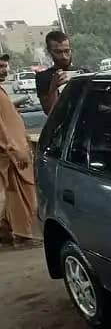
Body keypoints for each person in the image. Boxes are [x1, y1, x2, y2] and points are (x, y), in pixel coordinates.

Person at [0, 54, 40, 248]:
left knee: (15, 193)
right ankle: (22, 236)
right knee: (21, 193)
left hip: (14, 149)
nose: (4, 70)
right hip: (12, 153)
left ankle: (6, 230)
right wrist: (13, 149)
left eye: (5, 66)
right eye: (0, 66)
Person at [36, 30, 77, 114]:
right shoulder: (43, 77)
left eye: (66, 51)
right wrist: (53, 87)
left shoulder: (83, 72)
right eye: (58, 52)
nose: (64, 57)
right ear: (49, 52)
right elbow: (49, 111)